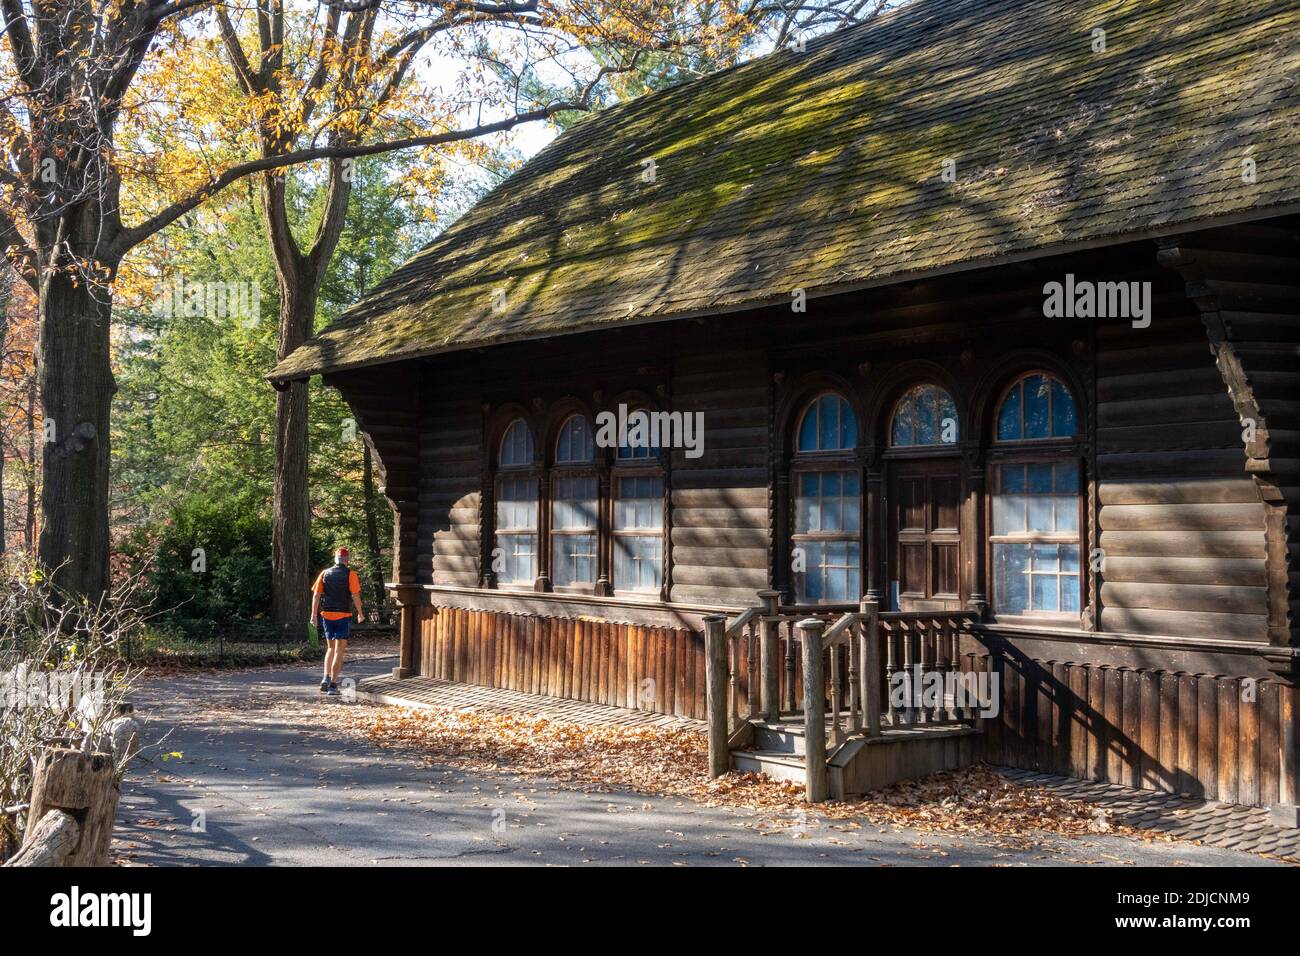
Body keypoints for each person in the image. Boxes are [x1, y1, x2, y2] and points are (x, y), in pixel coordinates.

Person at [310, 547, 364, 695]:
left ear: (335, 559)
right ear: (347, 560)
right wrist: (360, 613)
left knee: (330, 648)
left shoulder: (324, 573)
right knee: (339, 651)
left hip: (327, 615)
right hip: (343, 616)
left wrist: (314, 615)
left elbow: (316, 595)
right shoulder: (351, 574)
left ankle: (325, 678)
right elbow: (355, 596)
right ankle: (333, 685)